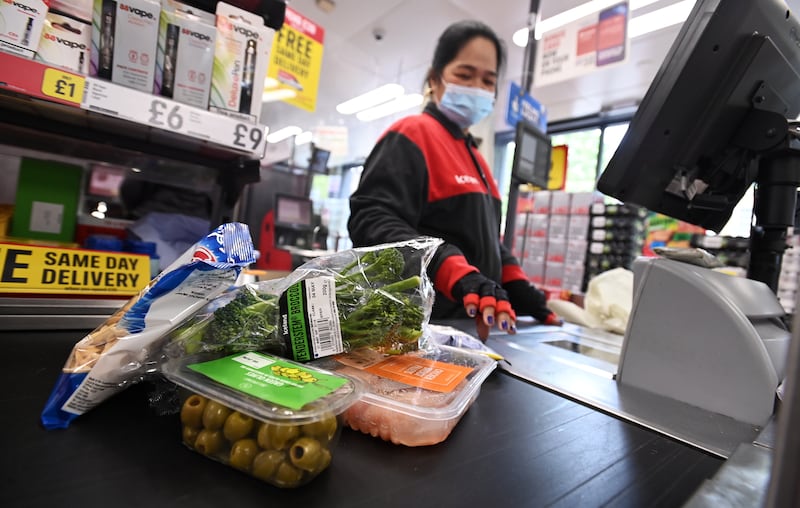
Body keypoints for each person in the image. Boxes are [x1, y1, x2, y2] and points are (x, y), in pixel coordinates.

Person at [348, 19, 561, 340]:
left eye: (488, 80)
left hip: (472, 330)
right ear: (435, 79)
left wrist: (516, 286)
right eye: (464, 75)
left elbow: (487, 241)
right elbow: (371, 220)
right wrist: (452, 270)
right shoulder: (412, 134)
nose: (477, 87)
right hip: (421, 330)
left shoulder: (477, 158)